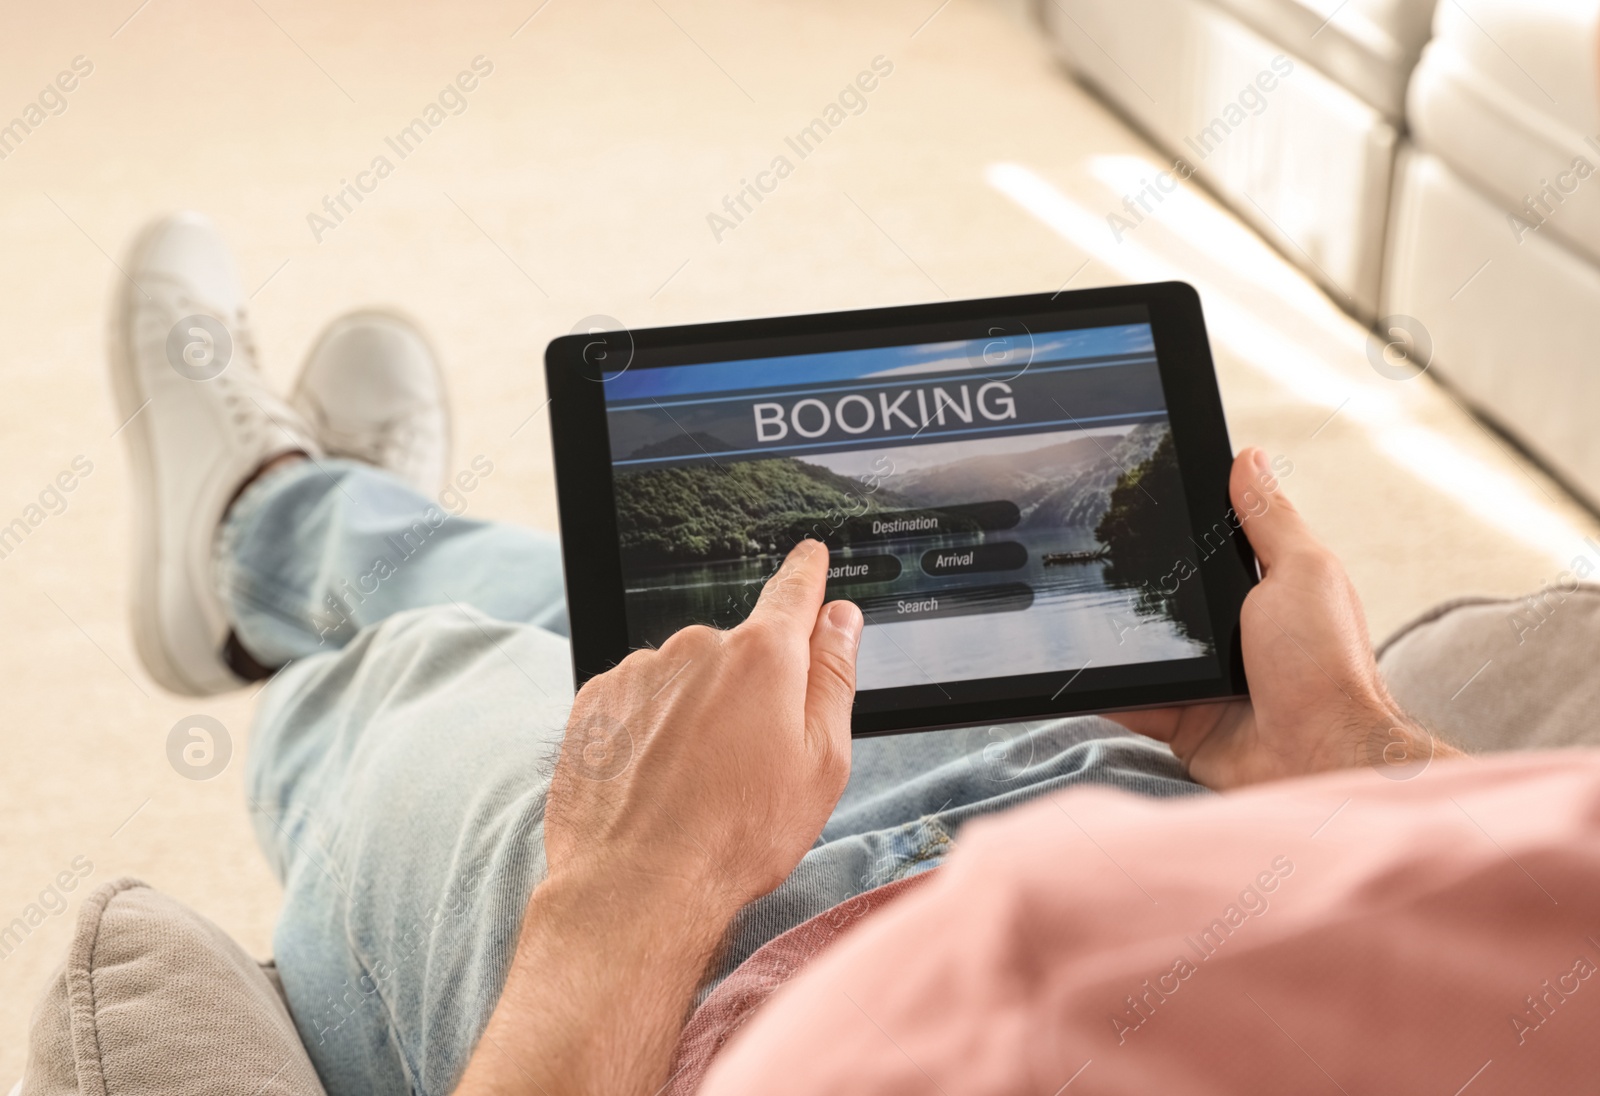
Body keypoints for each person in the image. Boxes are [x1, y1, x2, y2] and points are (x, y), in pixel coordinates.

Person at [112, 213, 1463, 1096]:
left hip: (702, 992)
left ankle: (278, 537)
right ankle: (300, 522)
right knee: (680, 644)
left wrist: (641, 882)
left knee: (422, 671)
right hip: (1145, 828)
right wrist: (1343, 748)